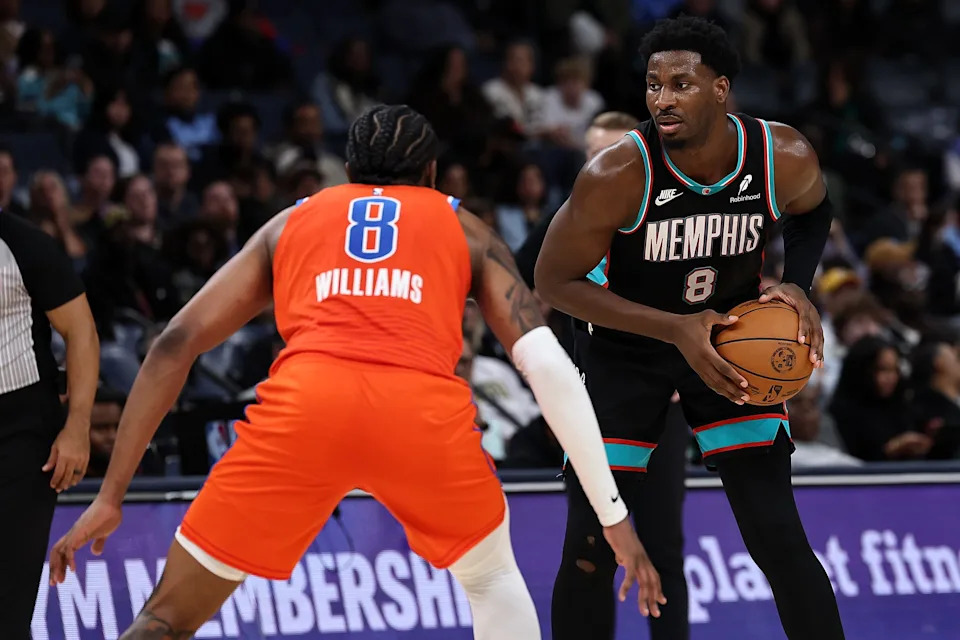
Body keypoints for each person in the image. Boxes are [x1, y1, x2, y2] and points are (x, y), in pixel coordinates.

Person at [49, 104, 665, 639]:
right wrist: (614, 518)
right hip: (419, 417)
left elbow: (173, 343)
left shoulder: (291, 222)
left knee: (166, 619)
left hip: (303, 411)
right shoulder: (464, 227)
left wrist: (111, 495)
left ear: (345, 172)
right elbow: (551, 371)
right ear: (431, 177)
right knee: (492, 577)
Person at [536, 17, 844, 640]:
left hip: (729, 345)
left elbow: (814, 211)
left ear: (721, 88)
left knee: (779, 535)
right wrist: (674, 328)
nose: (663, 99)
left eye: (681, 83)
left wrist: (796, 285)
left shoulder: (779, 154)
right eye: (653, 85)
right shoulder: (619, 172)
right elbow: (553, 282)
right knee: (591, 548)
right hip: (624, 356)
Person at [517, 109, 692, 639]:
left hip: (665, 406)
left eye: (615, 153)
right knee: (588, 544)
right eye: (594, 154)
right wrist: (548, 374)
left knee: (664, 546)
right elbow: (515, 293)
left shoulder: (677, 220)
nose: (605, 164)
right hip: (593, 407)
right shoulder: (566, 222)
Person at [0, 210, 99, 637]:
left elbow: (82, 333)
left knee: (8, 601)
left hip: (19, 432)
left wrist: (77, 427)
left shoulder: (22, 243)